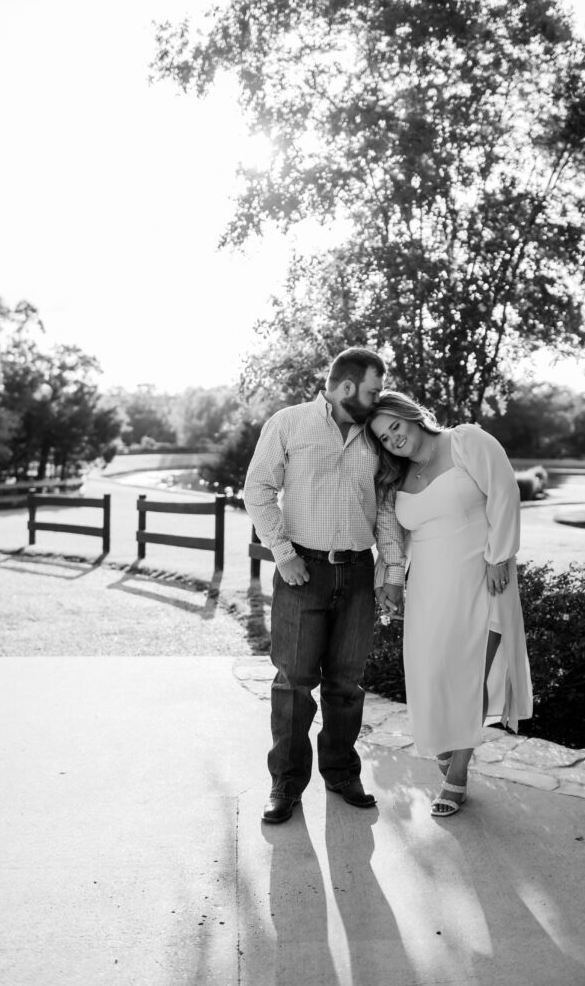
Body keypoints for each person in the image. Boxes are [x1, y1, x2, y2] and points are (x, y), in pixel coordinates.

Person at [244, 349, 406, 824]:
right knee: (293, 684)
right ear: (347, 386)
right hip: (302, 572)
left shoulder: (374, 436)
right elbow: (257, 490)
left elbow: (384, 510)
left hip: (356, 573)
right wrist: (284, 554)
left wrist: (392, 574)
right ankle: (286, 784)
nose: (378, 399)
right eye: (374, 390)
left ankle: (341, 773)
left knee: (347, 685)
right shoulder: (289, 423)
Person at [366, 391, 532, 817]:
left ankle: (457, 775)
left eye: (395, 427)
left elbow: (504, 493)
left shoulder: (466, 441)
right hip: (428, 592)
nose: (393, 440)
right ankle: (448, 749)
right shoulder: (397, 477)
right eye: (384, 438)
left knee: (470, 675)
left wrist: (500, 556)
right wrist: (389, 580)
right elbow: (396, 540)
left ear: (413, 417)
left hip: (481, 579)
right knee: (428, 674)